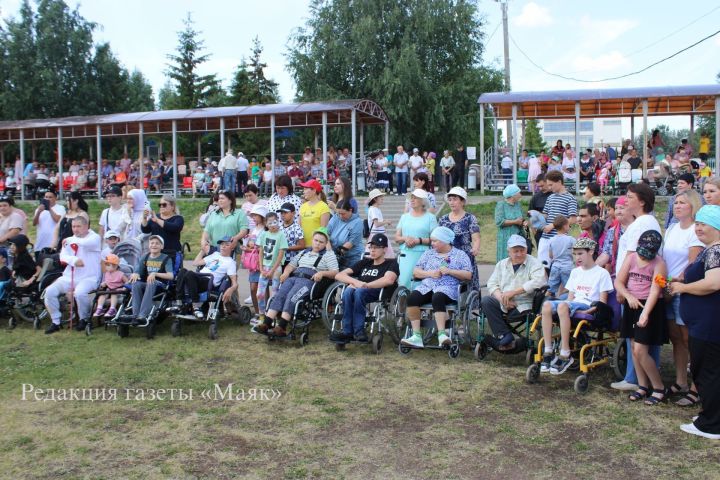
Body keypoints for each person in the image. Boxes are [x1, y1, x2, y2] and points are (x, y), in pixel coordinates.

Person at [669, 205, 720, 439]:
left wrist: (683, 287)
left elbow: (713, 283)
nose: (698, 228)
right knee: (705, 370)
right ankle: (709, 415)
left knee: (707, 371)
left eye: (704, 224)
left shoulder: (716, 251)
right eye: (697, 224)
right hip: (702, 322)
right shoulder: (708, 250)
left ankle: (711, 425)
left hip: (709, 324)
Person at [540, 237, 614, 375]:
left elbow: (602, 303)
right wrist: (566, 306)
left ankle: (565, 352)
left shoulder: (602, 273)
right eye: (574, 254)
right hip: (572, 304)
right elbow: (570, 298)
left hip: (588, 305)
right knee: (546, 306)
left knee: (562, 306)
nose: (577, 258)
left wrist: (590, 311)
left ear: (591, 251)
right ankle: (548, 350)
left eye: (580, 254)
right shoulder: (575, 272)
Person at [252, 228, 339, 337]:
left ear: (326, 243)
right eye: (316, 240)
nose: (317, 244)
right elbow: (291, 265)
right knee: (280, 295)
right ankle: (266, 323)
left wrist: (322, 273)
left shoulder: (329, 254)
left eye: (321, 242)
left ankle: (282, 327)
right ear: (312, 240)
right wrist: (286, 273)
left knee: (292, 296)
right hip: (294, 276)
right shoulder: (304, 252)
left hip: (309, 280)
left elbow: (335, 272)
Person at [660, 190, 704, 406]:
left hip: (684, 289)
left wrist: (678, 281)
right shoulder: (671, 228)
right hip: (668, 288)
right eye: (675, 202)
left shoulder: (695, 231)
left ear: (693, 206)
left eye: (682, 203)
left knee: (689, 339)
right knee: (676, 338)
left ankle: (697, 386)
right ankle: (680, 381)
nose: (677, 206)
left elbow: (693, 264)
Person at [615, 230, 668, 405]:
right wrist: (628, 296)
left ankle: (659, 387)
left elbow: (655, 290)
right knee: (632, 346)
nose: (645, 257)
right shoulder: (631, 258)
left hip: (650, 306)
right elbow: (619, 282)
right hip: (632, 304)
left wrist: (645, 314)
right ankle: (642, 385)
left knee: (640, 350)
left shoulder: (659, 263)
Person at [400, 226, 473, 348]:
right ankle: (416, 336)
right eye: (432, 240)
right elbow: (416, 271)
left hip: (447, 288)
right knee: (412, 298)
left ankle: (442, 335)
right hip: (428, 285)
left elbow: (468, 275)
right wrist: (430, 274)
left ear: (445, 241)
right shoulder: (428, 253)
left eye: (435, 241)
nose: (432, 243)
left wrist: (450, 271)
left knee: (437, 297)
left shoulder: (460, 255)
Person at [329, 233, 399, 344]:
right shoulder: (366, 262)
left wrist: (365, 285)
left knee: (358, 291)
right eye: (371, 247)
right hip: (359, 289)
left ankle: (359, 331)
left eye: (376, 247)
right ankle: (347, 332)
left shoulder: (391, 263)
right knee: (347, 291)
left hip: (379, 291)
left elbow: (388, 280)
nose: (372, 250)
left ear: (385, 249)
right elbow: (339, 275)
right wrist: (355, 282)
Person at [482, 234, 547, 349]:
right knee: (486, 301)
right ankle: (505, 334)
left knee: (524, 309)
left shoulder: (534, 263)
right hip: (503, 301)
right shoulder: (502, 264)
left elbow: (539, 281)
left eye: (522, 250)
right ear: (509, 251)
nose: (519, 254)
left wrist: (513, 293)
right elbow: (492, 283)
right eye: (515, 251)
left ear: (526, 249)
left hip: (525, 304)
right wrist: (502, 298)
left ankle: (507, 339)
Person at [44, 216, 102, 334]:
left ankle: (83, 318)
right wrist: (74, 260)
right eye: (73, 226)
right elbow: (63, 256)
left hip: (89, 277)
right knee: (49, 291)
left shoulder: (94, 237)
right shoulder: (70, 240)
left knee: (80, 293)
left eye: (78, 226)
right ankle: (56, 321)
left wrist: (70, 240)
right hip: (69, 276)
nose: (75, 229)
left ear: (86, 226)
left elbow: (85, 243)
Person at [175, 236, 238, 319]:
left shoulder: (230, 262)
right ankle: (179, 303)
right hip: (198, 278)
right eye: (222, 244)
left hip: (209, 282)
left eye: (227, 244)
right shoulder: (215, 254)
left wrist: (231, 289)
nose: (223, 246)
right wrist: (202, 250)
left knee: (189, 274)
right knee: (182, 271)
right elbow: (196, 263)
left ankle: (196, 306)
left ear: (232, 248)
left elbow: (234, 282)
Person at [438, 187, 481, 290]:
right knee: (445, 282)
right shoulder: (443, 219)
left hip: (465, 255)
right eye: (450, 199)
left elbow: (476, 238)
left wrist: (475, 248)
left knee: (467, 285)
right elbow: (438, 238)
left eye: (455, 199)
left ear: (463, 202)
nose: (452, 202)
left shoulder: (470, 218)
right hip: (447, 256)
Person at [395, 189, 438, 289]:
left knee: (419, 285)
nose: (412, 200)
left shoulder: (430, 217)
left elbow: (435, 240)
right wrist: (406, 238)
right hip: (405, 254)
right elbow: (397, 238)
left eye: (416, 198)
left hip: (423, 255)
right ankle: (402, 304)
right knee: (404, 283)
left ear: (423, 201)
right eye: (411, 198)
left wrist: (418, 240)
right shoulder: (404, 217)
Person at [537, 170, 578, 266]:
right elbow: (545, 215)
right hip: (545, 238)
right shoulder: (550, 197)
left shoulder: (570, 198)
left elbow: (573, 219)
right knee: (542, 266)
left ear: (559, 182)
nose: (550, 188)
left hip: (560, 239)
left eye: (551, 185)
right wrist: (537, 218)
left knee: (559, 267)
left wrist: (553, 225)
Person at [255, 212, 288, 324]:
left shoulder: (281, 235)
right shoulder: (263, 235)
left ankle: (272, 316)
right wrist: (261, 268)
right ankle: (262, 314)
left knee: (274, 294)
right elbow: (261, 252)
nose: (273, 225)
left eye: (275, 222)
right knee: (260, 293)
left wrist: (272, 270)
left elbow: (280, 254)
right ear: (266, 224)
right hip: (264, 267)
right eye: (270, 223)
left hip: (276, 268)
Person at [201, 190, 249, 255]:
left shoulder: (240, 213)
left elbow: (244, 230)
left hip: (231, 249)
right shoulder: (213, 214)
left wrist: (236, 238)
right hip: (215, 250)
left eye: (222, 198)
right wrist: (203, 240)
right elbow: (207, 230)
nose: (219, 200)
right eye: (219, 199)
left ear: (230, 200)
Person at [241, 204, 267, 323]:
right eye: (253, 215)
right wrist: (246, 246)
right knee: (253, 288)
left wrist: (249, 249)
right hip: (252, 263)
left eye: (256, 215)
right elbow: (251, 243)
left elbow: (263, 247)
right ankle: (257, 312)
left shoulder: (265, 230)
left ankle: (265, 312)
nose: (254, 218)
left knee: (262, 288)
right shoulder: (254, 229)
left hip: (261, 262)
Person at [327, 199, 364, 270]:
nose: (340, 216)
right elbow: (326, 233)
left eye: (343, 214)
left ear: (350, 210)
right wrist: (329, 251)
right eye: (339, 213)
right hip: (335, 255)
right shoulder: (336, 217)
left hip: (353, 258)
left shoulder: (358, 222)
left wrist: (332, 254)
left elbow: (350, 243)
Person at [93, 254, 129, 319]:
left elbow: (127, 281)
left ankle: (112, 309)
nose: (106, 267)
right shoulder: (107, 273)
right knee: (102, 295)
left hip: (119, 291)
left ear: (115, 266)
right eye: (106, 265)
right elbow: (108, 281)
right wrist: (104, 283)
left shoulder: (120, 274)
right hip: (109, 290)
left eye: (108, 265)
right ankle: (99, 308)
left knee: (113, 294)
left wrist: (125, 287)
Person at [495, 184, 524, 262]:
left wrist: (524, 222)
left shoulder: (518, 205)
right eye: (519, 193)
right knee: (505, 260)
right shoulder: (501, 205)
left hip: (517, 236)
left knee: (516, 260)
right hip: (505, 237)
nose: (521, 195)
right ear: (513, 195)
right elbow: (499, 221)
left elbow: (523, 218)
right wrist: (515, 221)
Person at [547, 215, 574, 298]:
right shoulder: (570, 239)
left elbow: (550, 256)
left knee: (550, 289)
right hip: (567, 266)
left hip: (555, 266)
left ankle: (544, 304)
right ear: (565, 226)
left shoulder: (551, 240)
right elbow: (574, 254)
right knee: (570, 288)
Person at [298, 179, 331, 243]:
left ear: (314, 190)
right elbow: (299, 227)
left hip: (316, 247)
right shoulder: (303, 206)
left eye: (305, 189)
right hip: (302, 246)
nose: (303, 192)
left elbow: (323, 230)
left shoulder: (323, 206)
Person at [277, 202, 305, 271]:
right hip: (279, 259)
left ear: (293, 213)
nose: (283, 215)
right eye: (281, 213)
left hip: (291, 261)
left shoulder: (296, 227)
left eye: (285, 213)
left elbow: (302, 245)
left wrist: (286, 248)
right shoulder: (278, 227)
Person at [528, 174, 552, 249]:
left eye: (542, 186)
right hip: (540, 232)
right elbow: (530, 215)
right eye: (539, 187)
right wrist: (534, 232)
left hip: (554, 230)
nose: (541, 188)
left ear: (548, 182)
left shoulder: (556, 195)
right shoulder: (535, 197)